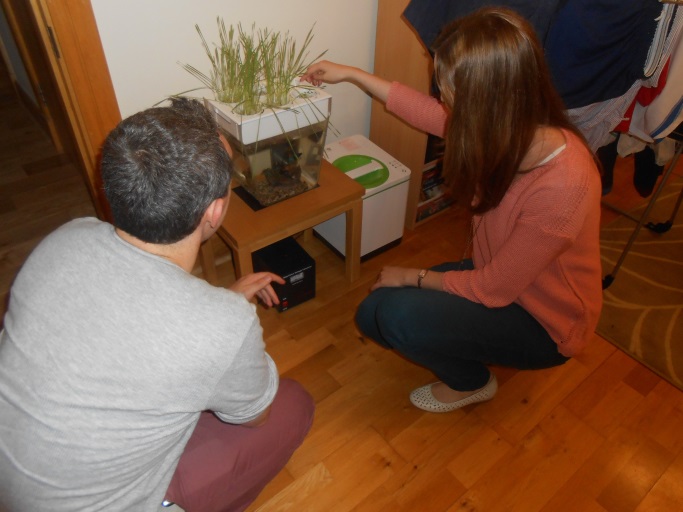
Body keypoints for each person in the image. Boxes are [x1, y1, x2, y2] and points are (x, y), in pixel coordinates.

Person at [0, 98, 314, 511]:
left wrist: (220, 307)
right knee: (293, 405)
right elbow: (254, 416)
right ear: (215, 212)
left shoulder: (65, 238)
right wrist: (226, 318)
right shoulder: (223, 326)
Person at [301, 7, 602, 413]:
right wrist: (353, 73)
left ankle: (473, 383)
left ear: (485, 100)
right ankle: (469, 345)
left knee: (395, 315)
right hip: (502, 281)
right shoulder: (501, 128)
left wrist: (412, 275)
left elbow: (493, 289)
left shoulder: (565, 185)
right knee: (373, 313)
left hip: (545, 320)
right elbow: (423, 111)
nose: (441, 99)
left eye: (447, 90)